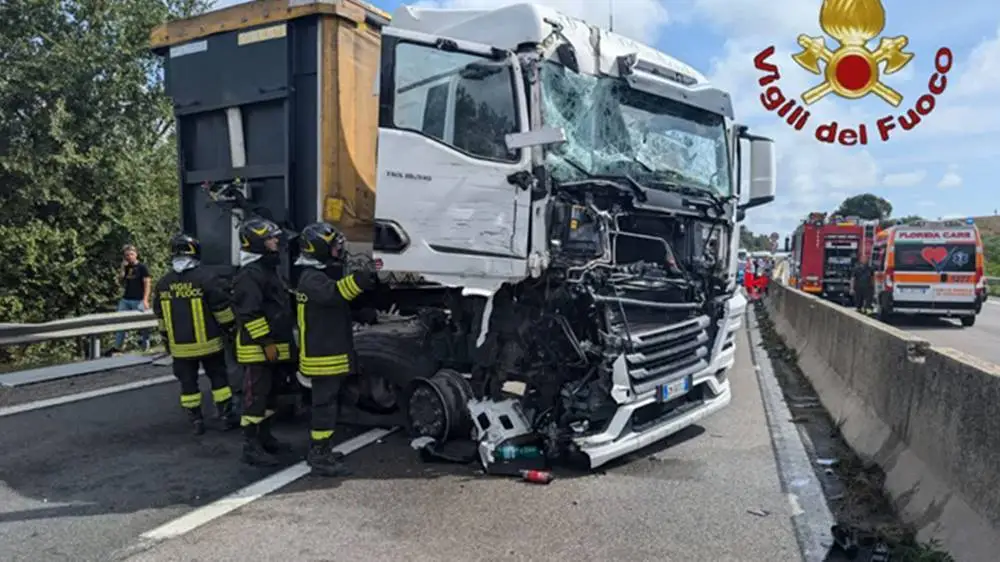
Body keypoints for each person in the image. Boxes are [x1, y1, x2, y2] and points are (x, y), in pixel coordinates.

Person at [295, 222, 377, 477]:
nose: (337, 250)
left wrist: (362, 313)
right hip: (322, 357)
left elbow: (334, 307)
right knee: (324, 406)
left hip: (328, 353)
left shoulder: (316, 277)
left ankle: (323, 449)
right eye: (332, 246)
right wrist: (362, 277)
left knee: (328, 404)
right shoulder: (312, 280)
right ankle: (319, 454)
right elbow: (336, 295)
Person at [152, 234, 240, 434]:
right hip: (209, 345)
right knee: (219, 380)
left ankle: (196, 421)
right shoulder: (206, 278)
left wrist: (166, 340)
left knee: (188, 384)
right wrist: (231, 329)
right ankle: (226, 416)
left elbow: (161, 317)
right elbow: (221, 309)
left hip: (180, 348)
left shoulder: (163, 283)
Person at [232, 217, 295, 466]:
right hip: (257, 349)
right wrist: (266, 341)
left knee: (269, 398)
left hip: (272, 347)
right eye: (270, 238)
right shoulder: (250, 274)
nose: (275, 242)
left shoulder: (267, 270)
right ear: (258, 242)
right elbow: (249, 313)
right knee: (255, 399)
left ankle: (266, 438)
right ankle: (250, 446)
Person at [111, 244, 152, 353]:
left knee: (144, 325)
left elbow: (147, 283)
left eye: (131, 254)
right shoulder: (127, 267)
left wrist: (145, 299)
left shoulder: (142, 267)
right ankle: (117, 347)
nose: (129, 257)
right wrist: (122, 269)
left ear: (136, 254)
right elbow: (120, 282)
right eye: (127, 255)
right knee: (120, 322)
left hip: (139, 299)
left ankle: (145, 347)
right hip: (126, 299)